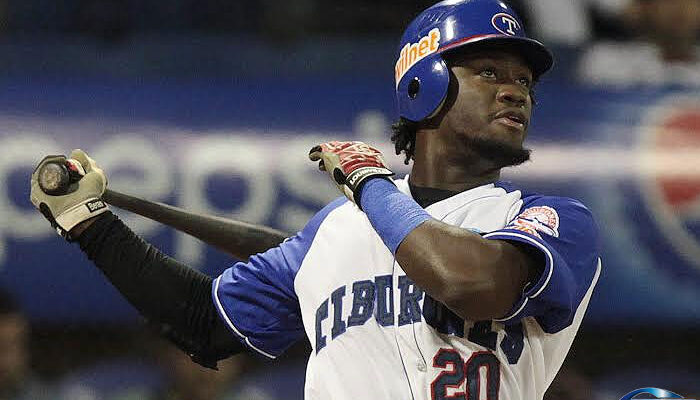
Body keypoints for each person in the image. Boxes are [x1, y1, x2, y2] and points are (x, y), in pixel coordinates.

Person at [29, 0, 602, 399]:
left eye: (525, 82)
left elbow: (470, 284)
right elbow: (203, 321)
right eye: (489, 72)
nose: (515, 91)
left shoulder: (552, 220)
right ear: (422, 83)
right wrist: (90, 225)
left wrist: (369, 184)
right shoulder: (335, 230)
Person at [578, 0, 700, 87]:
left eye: (691, 1)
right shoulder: (604, 62)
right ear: (645, 7)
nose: (681, 8)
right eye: (670, 1)